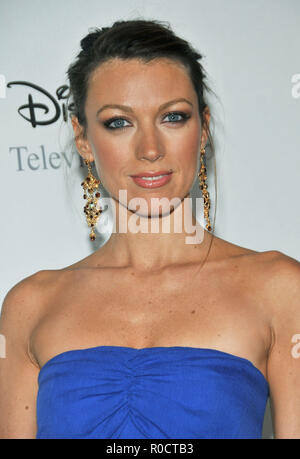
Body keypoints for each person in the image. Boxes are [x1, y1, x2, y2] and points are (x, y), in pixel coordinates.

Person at [0, 18, 300, 440]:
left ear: (203, 129)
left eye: (173, 117)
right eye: (119, 122)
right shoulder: (29, 306)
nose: (150, 150)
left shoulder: (281, 289)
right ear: (82, 138)